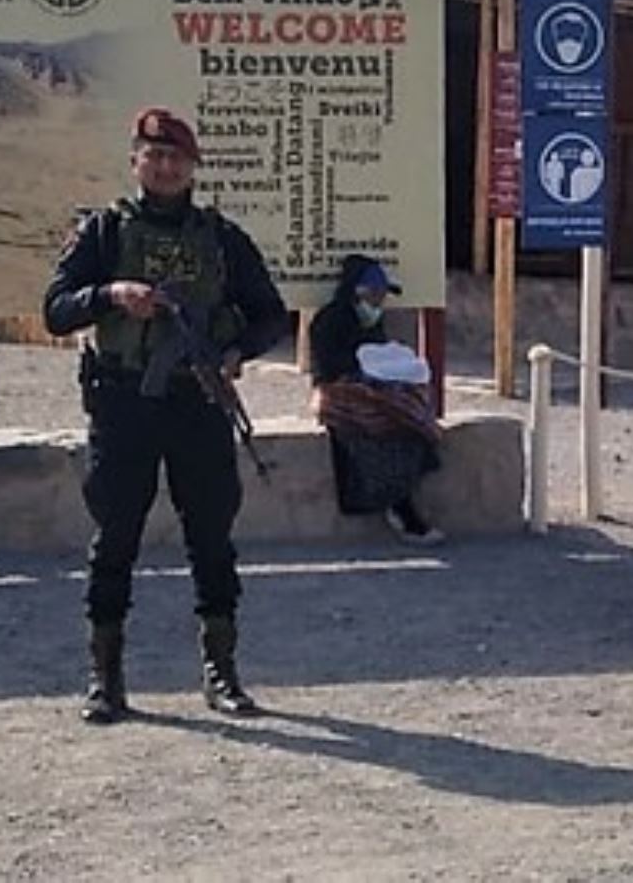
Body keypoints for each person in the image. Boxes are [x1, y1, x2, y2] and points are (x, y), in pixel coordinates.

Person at [43, 106, 288, 724]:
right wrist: (111, 295)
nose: (165, 166)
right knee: (116, 536)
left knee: (210, 536)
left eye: (176, 157)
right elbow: (55, 309)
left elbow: (269, 314)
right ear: (135, 163)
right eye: (154, 156)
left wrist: (234, 353)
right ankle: (106, 678)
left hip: (198, 401)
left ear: (194, 168)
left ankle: (222, 674)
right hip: (124, 402)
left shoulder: (222, 239)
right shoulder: (103, 233)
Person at [307, 255, 445, 545]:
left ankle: (402, 504)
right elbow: (329, 369)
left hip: (372, 390)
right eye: (376, 293)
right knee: (380, 422)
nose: (380, 301)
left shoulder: (371, 322)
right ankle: (401, 510)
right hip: (339, 393)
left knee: (409, 413)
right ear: (358, 291)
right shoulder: (329, 321)